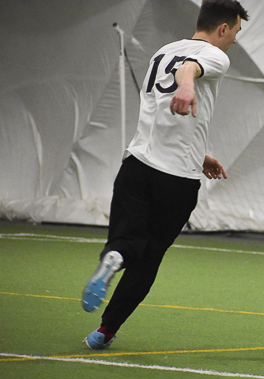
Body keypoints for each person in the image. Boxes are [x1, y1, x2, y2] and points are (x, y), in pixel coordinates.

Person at [81, 0, 249, 350]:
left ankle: (116, 256)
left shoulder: (164, 51)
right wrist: (187, 86)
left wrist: (200, 153)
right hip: (176, 180)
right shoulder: (215, 56)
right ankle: (105, 331)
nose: (235, 38)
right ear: (223, 28)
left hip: (136, 166)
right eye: (235, 30)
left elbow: (162, 111)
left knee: (126, 241)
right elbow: (189, 69)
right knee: (149, 258)